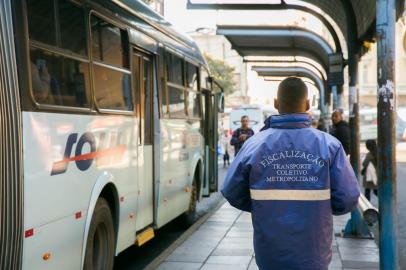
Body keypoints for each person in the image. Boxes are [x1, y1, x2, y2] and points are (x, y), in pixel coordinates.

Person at [221, 77, 360, 270]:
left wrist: (261, 206)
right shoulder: (330, 146)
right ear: (308, 104)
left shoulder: (254, 144)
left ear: (276, 104)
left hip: (269, 254)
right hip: (314, 253)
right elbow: (347, 199)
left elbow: (231, 191)